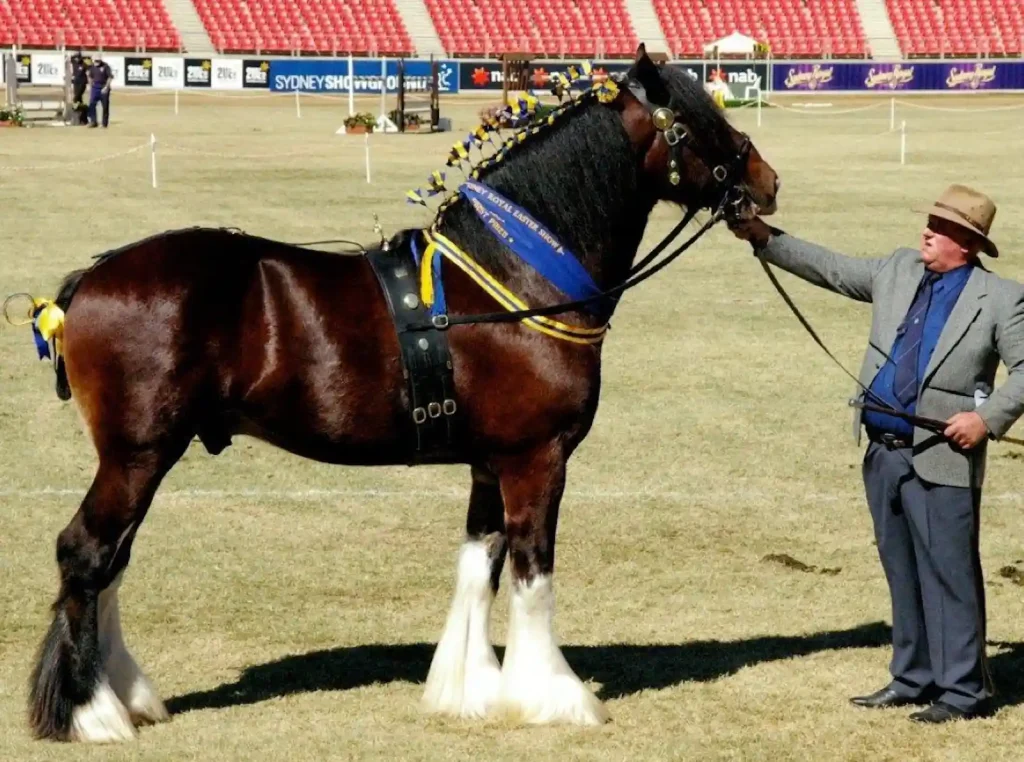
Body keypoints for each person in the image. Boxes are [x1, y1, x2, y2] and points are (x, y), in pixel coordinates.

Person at [729, 184, 1024, 723]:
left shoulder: (1000, 298)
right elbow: (832, 268)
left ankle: (963, 691)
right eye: (929, 221)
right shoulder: (897, 270)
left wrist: (985, 419)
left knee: (950, 573)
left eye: (941, 226)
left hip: (942, 456)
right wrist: (763, 237)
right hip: (883, 453)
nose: (927, 232)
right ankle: (912, 676)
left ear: (968, 242)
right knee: (901, 568)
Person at [87, 56, 112, 128]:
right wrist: (90, 84)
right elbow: (90, 76)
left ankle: (104, 123)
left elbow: (110, 77)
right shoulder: (92, 67)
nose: (96, 62)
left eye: (97, 61)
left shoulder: (106, 66)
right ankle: (93, 121)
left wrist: (106, 87)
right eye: (95, 61)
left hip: (103, 87)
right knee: (92, 104)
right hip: (95, 88)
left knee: (105, 106)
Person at [69, 51, 89, 126]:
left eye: (78, 57)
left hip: (82, 84)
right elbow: (68, 58)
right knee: (79, 101)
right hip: (75, 84)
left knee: (75, 99)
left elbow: (89, 69)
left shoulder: (84, 64)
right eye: (76, 57)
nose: (77, 59)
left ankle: (79, 114)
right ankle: (84, 118)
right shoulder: (74, 62)